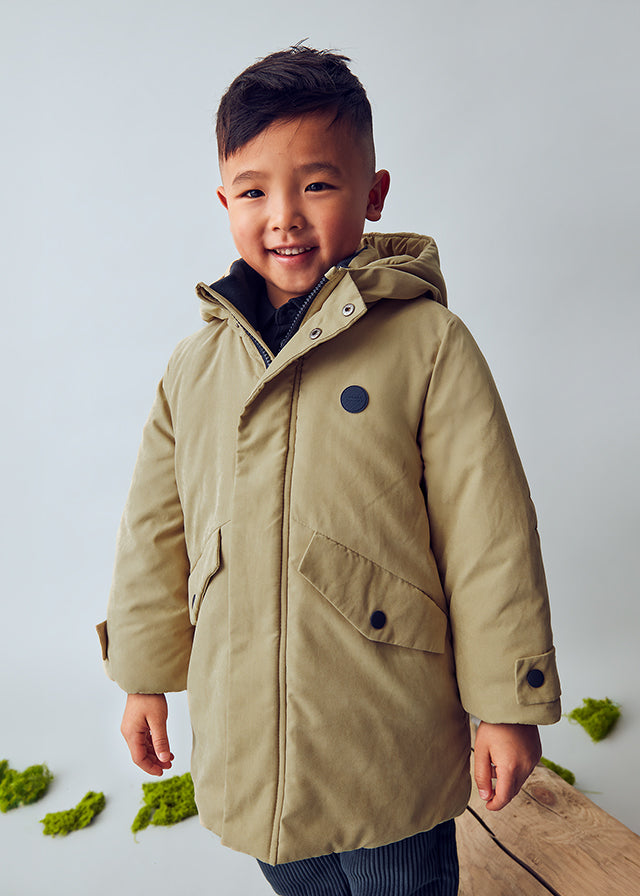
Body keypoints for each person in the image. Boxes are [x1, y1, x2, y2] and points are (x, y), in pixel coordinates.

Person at [97, 45, 561, 895]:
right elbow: (155, 532)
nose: (284, 217)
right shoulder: (195, 368)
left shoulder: (427, 346)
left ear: (373, 193)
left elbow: (489, 535)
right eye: (253, 192)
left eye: (316, 184)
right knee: (296, 877)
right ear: (224, 201)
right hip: (247, 729)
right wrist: (143, 676)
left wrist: (508, 703)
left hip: (384, 723)